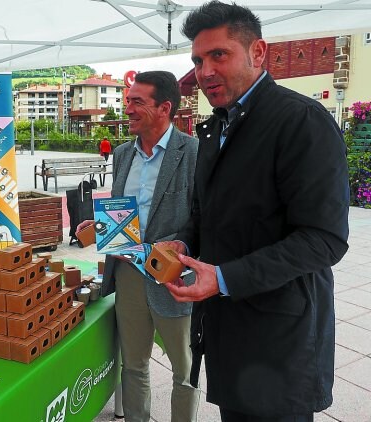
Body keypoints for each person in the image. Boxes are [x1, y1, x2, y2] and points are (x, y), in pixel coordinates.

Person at [160, 2, 350, 421]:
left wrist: (224, 278)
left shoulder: (301, 121)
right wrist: (184, 241)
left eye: (219, 55)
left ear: (258, 52)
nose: (205, 71)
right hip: (230, 331)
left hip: (281, 341)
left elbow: (325, 239)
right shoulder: (218, 128)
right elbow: (205, 213)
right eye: (197, 59)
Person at [77, 71, 200, 422]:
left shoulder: (193, 152)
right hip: (129, 274)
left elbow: (202, 217)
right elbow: (123, 213)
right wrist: (100, 226)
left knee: (184, 369)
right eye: (127, 100)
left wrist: (182, 244)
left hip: (174, 279)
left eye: (136, 102)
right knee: (133, 365)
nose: (126, 108)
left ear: (164, 108)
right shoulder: (121, 154)